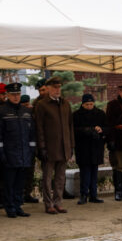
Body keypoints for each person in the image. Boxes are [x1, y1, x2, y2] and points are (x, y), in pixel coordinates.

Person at [0, 82, 36, 218]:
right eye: (13, 95)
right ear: (7, 95)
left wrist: (31, 151)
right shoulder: (2, 112)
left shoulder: (26, 112)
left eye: (18, 94)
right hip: (9, 154)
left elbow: (31, 134)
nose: (16, 97)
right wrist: (2, 155)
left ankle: (18, 206)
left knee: (20, 183)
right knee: (8, 184)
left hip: (24, 154)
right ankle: (10, 207)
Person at [35, 76, 74, 214]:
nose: (57, 90)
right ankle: (48, 203)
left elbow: (70, 126)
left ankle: (58, 202)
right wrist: (42, 148)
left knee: (60, 177)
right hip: (49, 148)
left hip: (64, 147)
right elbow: (39, 128)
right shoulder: (42, 105)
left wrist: (71, 146)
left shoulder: (65, 104)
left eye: (59, 87)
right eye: (55, 87)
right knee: (47, 178)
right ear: (48, 89)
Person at [73, 93, 107, 204]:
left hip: (96, 148)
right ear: (82, 104)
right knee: (85, 173)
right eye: (87, 104)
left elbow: (107, 128)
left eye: (91, 104)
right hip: (83, 149)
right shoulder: (76, 115)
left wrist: (100, 130)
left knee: (94, 172)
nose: (89, 106)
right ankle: (83, 195)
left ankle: (93, 195)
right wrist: (89, 130)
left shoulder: (100, 114)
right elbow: (74, 130)